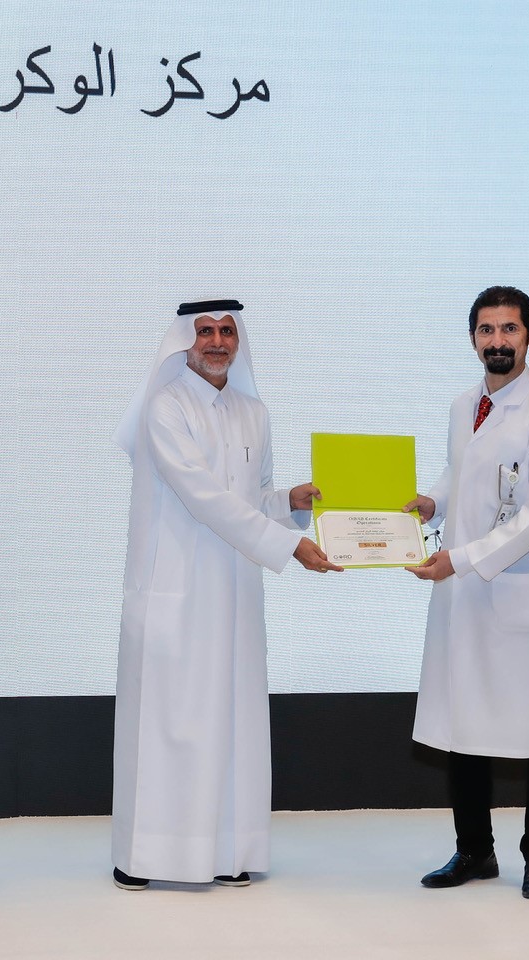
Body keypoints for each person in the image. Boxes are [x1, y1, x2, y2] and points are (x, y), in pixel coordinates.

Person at [110, 299, 341, 891]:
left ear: (239, 340)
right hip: (179, 587)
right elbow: (202, 496)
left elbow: (251, 497)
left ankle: (228, 851)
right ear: (184, 341)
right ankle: (146, 857)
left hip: (235, 590)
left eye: (227, 331)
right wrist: (288, 545)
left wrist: (289, 503)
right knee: (173, 722)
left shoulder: (253, 412)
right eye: (205, 331)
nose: (217, 341)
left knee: (233, 721)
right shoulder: (165, 407)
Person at [404, 286, 529, 900]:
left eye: (509, 329)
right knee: (466, 721)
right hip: (468, 597)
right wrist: (433, 502)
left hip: (524, 596)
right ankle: (474, 850)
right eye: (487, 330)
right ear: (473, 338)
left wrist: (460, 559)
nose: (497, 341)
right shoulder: (465, 406)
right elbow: (462, 471)